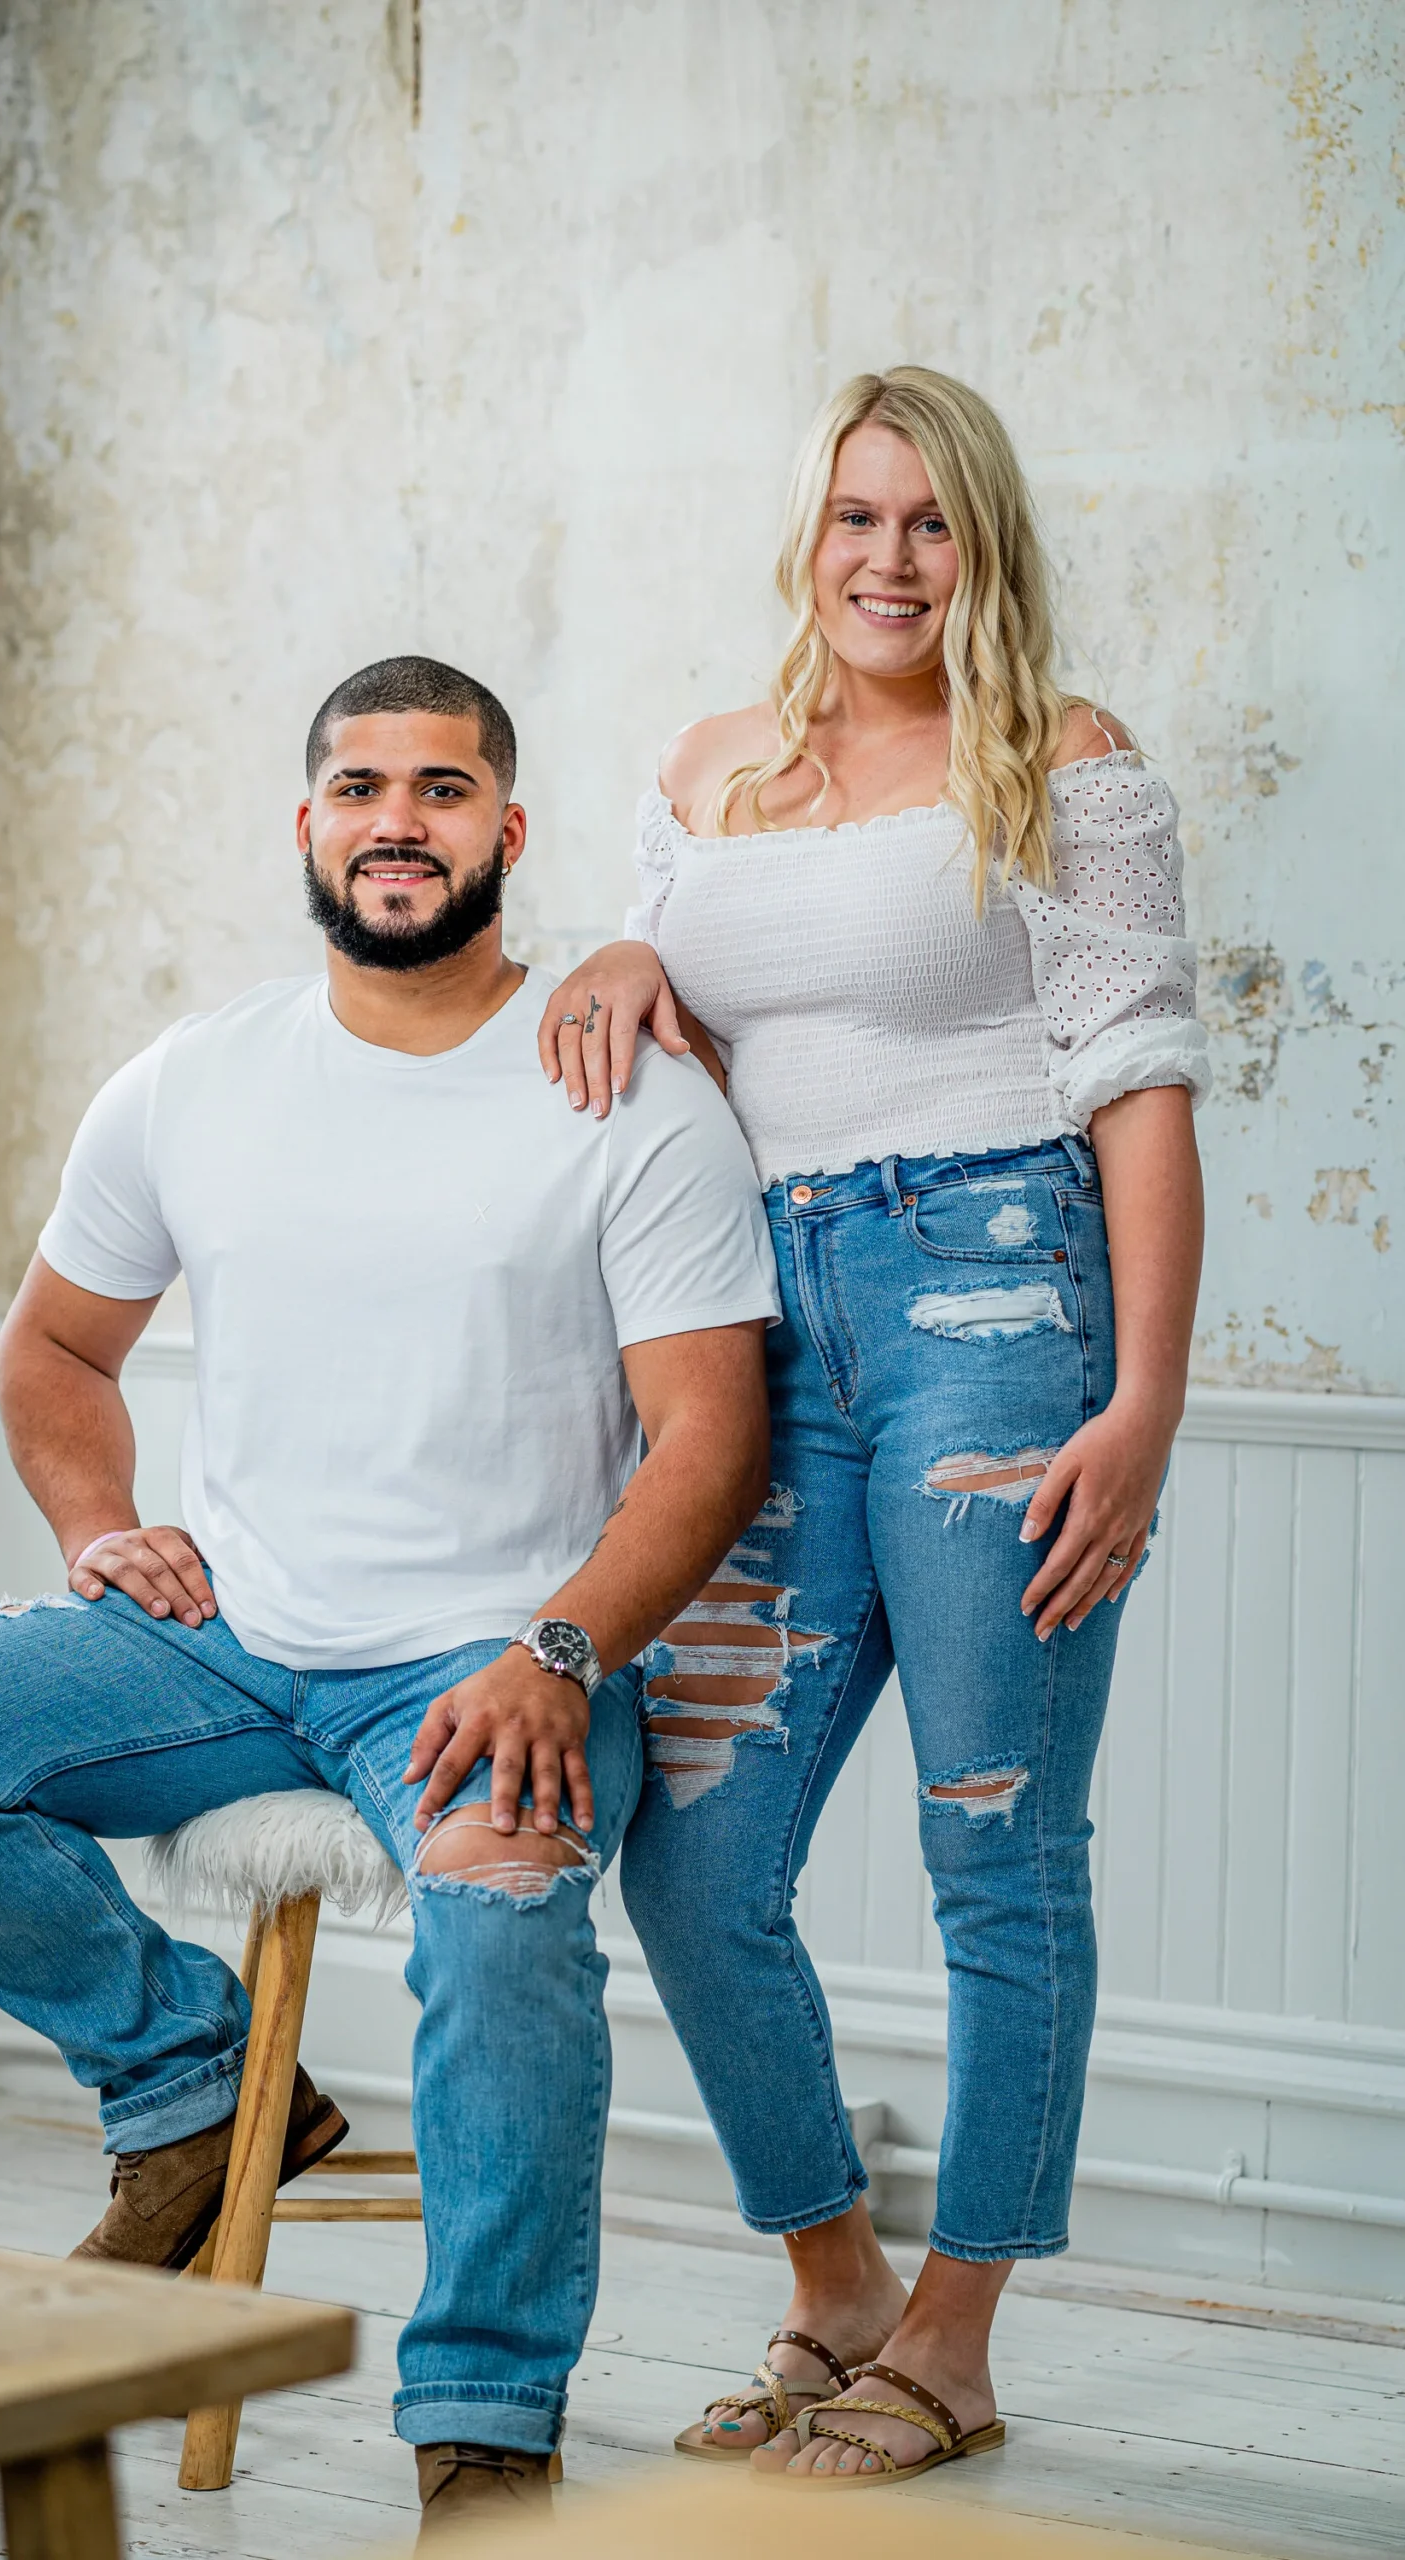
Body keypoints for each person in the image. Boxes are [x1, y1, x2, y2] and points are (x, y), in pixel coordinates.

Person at [0, 656, 779, 2539]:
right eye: (358, 788)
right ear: (309, 824)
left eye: (440, 789)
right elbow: (54, 1349)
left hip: (494, 1653)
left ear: (508, 829)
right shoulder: (198, 1077)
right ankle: (184, 2089)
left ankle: (481, 2423)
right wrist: (99, 1528)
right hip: (230, 1639)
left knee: (500, 1920)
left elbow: (709, 1445)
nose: (395, 823)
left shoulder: (625, 1098)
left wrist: (559, 1648)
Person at [537, 368, 1209, 2487]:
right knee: (694, 1853)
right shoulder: (705, 769)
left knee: (994, 1844)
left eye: (930, 522)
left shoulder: (1063, 761)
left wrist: (1145, 1402)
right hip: (766, 1331)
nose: (889, 559)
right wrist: (627, 945)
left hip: (997, 1307)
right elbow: (703, 1031)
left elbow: (1140, 1087)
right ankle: (834, 2282)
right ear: (805, 536)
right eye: (855, 516)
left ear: (978, 545)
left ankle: (956, 2334)